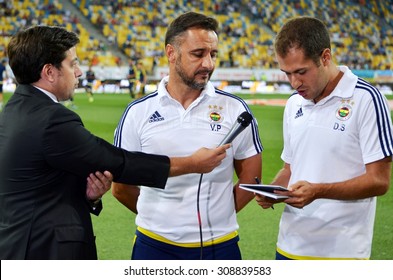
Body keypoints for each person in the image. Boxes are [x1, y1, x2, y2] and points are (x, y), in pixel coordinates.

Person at [0, 25, 230, 260]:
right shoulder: (51, 118)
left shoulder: (15, 108)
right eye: (73, 64)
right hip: (44, 251)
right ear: (49, 72)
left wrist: (89, 195)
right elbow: (118, 162)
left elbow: (40, 182)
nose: (79, 72)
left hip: (21, 244)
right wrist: (191, 163)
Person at [112, 12, 263, 260]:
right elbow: (121, 187)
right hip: (154, 244)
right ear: (171, 53)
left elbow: (252, 176)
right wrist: (161, 219)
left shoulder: (235, 109)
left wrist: (220, 213)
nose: (209, 64)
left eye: (213, 54)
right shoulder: (137, 112)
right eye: (198, 54)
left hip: (220, 244)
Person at [256, 16, 393, 260]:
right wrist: (274, 190)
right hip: (288, 246)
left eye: (301, 72)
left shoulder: (367, 99)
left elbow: (379, 181)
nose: (294, 83)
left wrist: (318, 191)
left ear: (325, 57)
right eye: (286, 73)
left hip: (341, 253)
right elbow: (291, 167)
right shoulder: (293, 104)